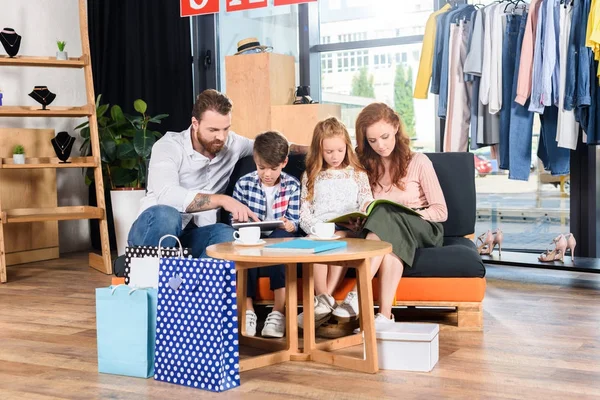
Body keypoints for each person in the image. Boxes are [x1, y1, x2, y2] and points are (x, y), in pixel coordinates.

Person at [127, 89, 306, 256]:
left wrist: (313, 149)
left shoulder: (232, 144)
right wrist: (222, 200)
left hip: (193, 236)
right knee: (167, 215)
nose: (221, 137)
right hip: (153, 231)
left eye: (226, 129)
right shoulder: (168, 146)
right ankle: (149, 281)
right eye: (213, 130)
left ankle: (202, 287)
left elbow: (270, 147)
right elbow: (168, 196)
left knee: (226, 235)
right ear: (195, 123)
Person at [331, 102, 448, 330]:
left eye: (384, 137)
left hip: (425, 228)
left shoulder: (418, 162)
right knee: (389, 236)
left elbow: (441, 211)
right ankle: (385, 316)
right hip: (389, 233)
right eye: (372, 141)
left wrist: (404, 214)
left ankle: (358, 293)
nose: (380, 146)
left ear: (395, 127)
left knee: (388, 213)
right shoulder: (365, 165)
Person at [297, 117, 374, 329]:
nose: (335, 157)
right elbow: (304, 211)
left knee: (338, 240)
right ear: (319, 150)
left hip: (348, 228)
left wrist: (365, 211)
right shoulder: (311, 175)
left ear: (347, 147)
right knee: (319, 241)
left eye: (339, 151)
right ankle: (325, 297)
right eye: (329, 152)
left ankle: (324, 299)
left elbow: (366, 199)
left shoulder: (357, 174)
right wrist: (315, 227)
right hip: (320, 228)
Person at [231, 131, 301, 338]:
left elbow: (294, 220)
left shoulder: (292, 185)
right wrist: (243, 224)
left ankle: (278, 312)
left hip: (280, 235)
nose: (267, 174)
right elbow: (233, 220)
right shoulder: (244, 184)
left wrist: (290, 225)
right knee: (249, 246)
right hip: (252, 234)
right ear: (255, 160)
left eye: (273, 168)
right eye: (262, 168)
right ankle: (248, 310)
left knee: (279, 244)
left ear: (284, 162)